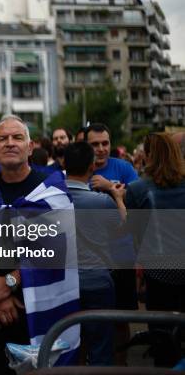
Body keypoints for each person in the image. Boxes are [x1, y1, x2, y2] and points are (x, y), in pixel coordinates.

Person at [0, 115, 79, 375]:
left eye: (17, 137)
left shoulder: (51, 192)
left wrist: (10, 283)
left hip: (39, 308)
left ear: (30, 146)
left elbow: (58, 251)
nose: (9, 143)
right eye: (2, 139)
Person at [125, 132, 185, 367]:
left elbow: (131, 232)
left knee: (161, 334)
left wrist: (119, 200)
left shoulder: (138, 189)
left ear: (148, 156)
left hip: (159, 271)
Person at [64, 142, 125, 366]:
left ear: (64, 164)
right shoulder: (102, 202)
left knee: (69, 344)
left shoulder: (53, 201)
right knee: (101, 345)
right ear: (92, 167)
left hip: (64, 283)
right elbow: (122, 228)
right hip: (98, 280)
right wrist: (117, 197)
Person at [85, 123, 138, 364]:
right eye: (95, 144)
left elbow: (138, 196)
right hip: (91, 257)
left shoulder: (124, 167)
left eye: (105, 143)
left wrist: (108, 187)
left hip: (121, 254)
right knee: (88, 320)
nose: (101, 149)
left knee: (121, 318)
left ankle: (122, 365)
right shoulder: (79, 169)